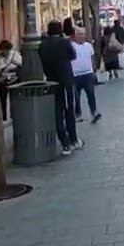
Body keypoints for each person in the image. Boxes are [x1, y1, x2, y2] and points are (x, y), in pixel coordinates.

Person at [40, 20, 82, 154]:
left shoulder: (42, 45)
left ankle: (64, 141)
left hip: (51, 82)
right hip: (65, 81)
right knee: (69, 111)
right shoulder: (64, 43)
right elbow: (73, 55)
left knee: (57, 112)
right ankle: (72, 140)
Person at [71, 28, 102, 123]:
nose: (82, 36)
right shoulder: (72, 46)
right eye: (80, 34)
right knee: (76, 97)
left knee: (91, 94)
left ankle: (94, 112)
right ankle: (78, 114)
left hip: (87, 74)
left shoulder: (88, 46)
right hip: (75, 75)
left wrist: (94, 70)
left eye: (83, 34)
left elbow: (92, 57)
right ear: (75, 35)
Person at [0, 39, 22, 122]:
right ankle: (4, 117)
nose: (5, 52)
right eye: (3, 50)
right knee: (2, 99)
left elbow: (21, 63)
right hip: (2, 80)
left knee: (14, 99)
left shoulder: (15, 55)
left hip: (14, 79)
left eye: (7, 49)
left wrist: (14, 63)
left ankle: (14, 115)